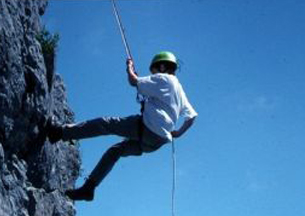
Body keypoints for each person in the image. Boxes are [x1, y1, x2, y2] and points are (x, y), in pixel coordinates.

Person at [45, 51, 198, 201]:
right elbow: (191, 116)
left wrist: (129, 68)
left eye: (154, 70)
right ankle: (89, 188)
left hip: (146, 128)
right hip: (156, 143)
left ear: (162, 67)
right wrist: (177, 133)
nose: (153, 74)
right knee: (115, 151)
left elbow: (133, 81)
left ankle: (60, 133)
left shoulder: (163, 78)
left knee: (105, 124)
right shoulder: (179, 89)